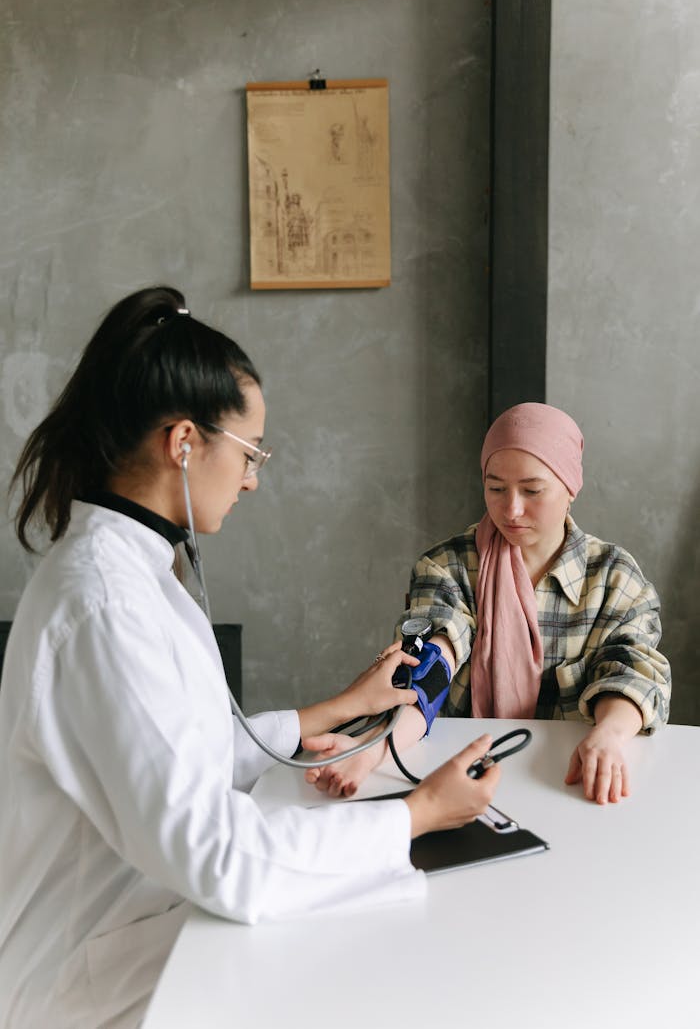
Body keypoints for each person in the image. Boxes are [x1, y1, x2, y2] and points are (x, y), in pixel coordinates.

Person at [0, 287, 501, 1029]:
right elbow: (215, 853)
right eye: (250, 453)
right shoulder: (104, 603)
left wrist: (330, 711)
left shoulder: (133, 571)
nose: (253, 478)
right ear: (184, 443)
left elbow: (180, 752)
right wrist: (417, 815)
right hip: (84, 977)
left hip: (142, 919)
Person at [306, 402, 671, 806]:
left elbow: (632, 667)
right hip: (460, 779)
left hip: (570, 783)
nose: (511, 509)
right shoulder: (448, 566)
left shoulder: (614, 577)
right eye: (496, 488)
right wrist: (373, 750)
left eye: (532, 490)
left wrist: (609, 735)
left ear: (570, 487)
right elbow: (429, 665)